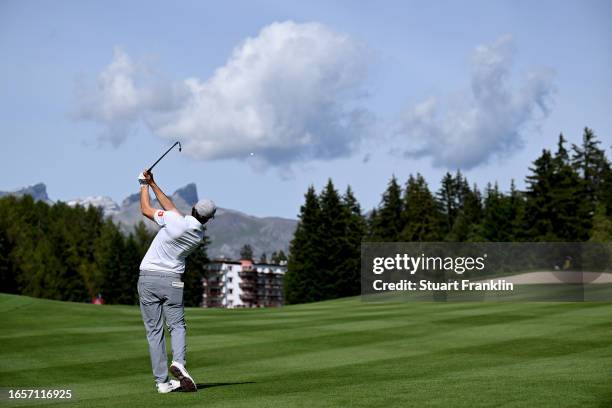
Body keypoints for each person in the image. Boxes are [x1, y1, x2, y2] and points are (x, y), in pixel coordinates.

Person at [137, 169, 216, 393]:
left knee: (154, 331)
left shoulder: (174, 220)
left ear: (192, 209)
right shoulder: (198, 236)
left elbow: (145, 209)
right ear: (208, 220)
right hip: (173, 282)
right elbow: (170, 207)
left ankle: (162, 383)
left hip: (148, 278)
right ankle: (179, 362)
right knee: (177, 326)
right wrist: (154, 183)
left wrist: (143, 184)